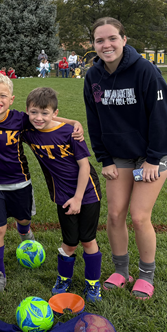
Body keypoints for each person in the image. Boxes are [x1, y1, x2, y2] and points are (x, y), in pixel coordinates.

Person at [82, 17, 167, 301]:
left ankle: (146, 275)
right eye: (100, 40)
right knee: (114, 214)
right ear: (94, 45)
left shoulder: (145, 70)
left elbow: (164, 118)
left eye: (112, 38)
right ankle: (121, 271)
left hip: (152, 153)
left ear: (124, 39)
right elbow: (95, 122)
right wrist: (105, 159)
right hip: (118, 155)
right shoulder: (93, 77)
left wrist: (153, 159)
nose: (106, 44)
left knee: (139, 215)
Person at [0, 74, 82, 293]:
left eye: (2, 96)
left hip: (20, 183)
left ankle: (25, 233)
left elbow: (49, 119)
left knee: (24, 218)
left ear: (12, 99)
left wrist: (74, 122)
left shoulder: (21, 119)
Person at [23, 87, 104, 303]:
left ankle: (93, 284)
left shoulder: (70, 133)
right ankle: (63, 279)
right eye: (33, 113)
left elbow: (85, 167)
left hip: (87, 192)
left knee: (88, 239)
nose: (38, 118)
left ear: (55, 113)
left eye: (45, 113)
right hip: (62, 194)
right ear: (27, 112)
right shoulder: (28, 131)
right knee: (69, 241)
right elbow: (2, 117)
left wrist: (78, 198)